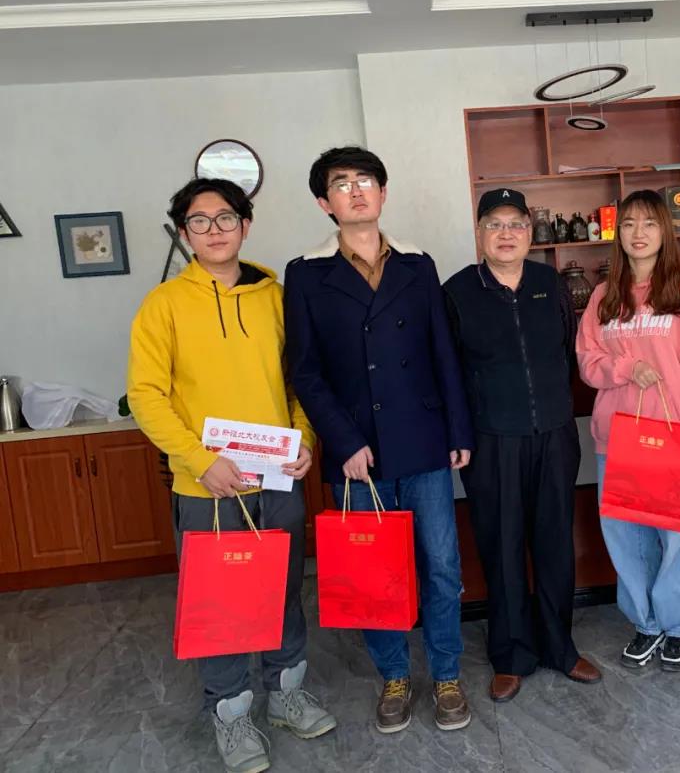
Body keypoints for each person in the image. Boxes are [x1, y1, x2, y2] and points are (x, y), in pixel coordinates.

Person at [128, 177, 336, 773]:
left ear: (245, 225)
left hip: (277, 481)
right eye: (199, 221)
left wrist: (305, 440)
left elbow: (300, 381)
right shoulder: (164, 305)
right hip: (207, 488)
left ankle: (286, 695)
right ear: (184, 233)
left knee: (284, 592)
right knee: (220, 605)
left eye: (225, 218)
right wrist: (201, 461)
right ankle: (230, 715)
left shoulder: (276, 297)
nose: (214, 230)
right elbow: (145, 395)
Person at [283, 146, 474, 734]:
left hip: (424, 442)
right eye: (342, 184)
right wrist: (343, 442)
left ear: (383, 193)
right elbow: (305, 371)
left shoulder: (417, 263)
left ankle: (446, 675)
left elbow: (443, 351)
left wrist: (458, 429)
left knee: (441, 566)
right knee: (374, 571)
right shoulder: (305, 273)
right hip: (358, 456)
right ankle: (394, 675)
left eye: (365, 181)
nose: (356, 191)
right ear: (325, 203)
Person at [443, 188, 602, 703]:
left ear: (531, 233)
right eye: (495, 224)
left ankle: (560, 647)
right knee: (502, 546)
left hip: (554, 435)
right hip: (492, 441)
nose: (506, 234)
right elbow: (447, 373)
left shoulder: (547, 283)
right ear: (479, 233)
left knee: (555, 543)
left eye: (515, 224)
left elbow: (566, 351)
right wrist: (459, 435)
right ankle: (511, 655)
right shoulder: (457, 291)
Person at [576, 189, 680, 671]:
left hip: (673, 437)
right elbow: (588, 362)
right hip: (617, 439)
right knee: (626, 536)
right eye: (629, 223)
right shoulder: (603, 296)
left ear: (665, 232)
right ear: (617, 232)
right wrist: (625, 368)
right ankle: (646, 622)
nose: (638, 233)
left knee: (677, 535)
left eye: (650, 223)